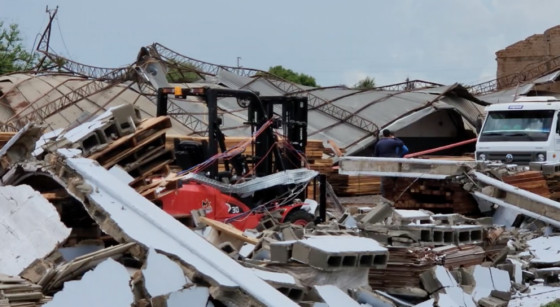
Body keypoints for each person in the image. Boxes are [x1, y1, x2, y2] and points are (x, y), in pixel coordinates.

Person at [373, 129, 407, 198]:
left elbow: (376, 154)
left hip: (383, 163)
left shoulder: (379, 143)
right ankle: (395, 195)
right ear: (390, 135)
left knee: (384, 180)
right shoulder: (392, 141)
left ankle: (384, 196)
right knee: (395, 179)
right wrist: (394, 138)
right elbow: (401, 143)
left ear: (383, 135)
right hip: (393, 162)